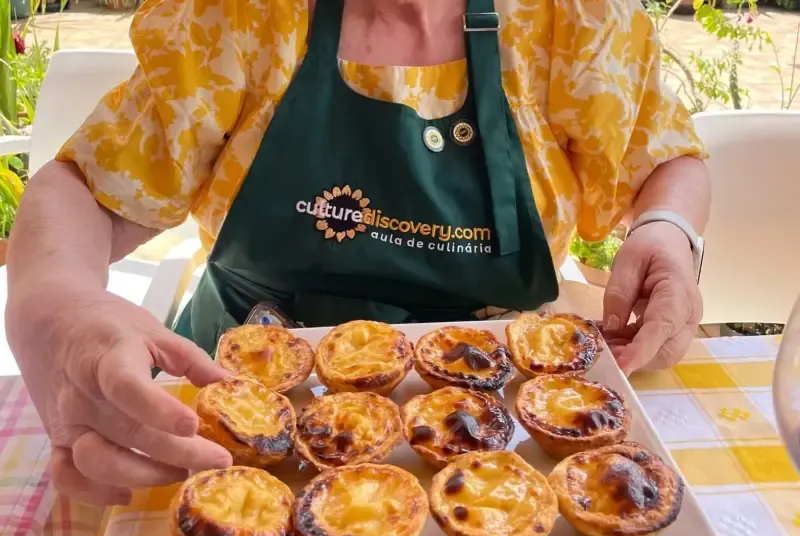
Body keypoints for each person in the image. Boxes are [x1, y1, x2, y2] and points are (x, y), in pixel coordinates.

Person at [5, 0, 709, 506]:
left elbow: (664, 157)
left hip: (504, 423)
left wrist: (667, 230)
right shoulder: (237, 18)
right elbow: (85, 191)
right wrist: (56, 303)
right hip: (240, 408)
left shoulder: (576, 21)